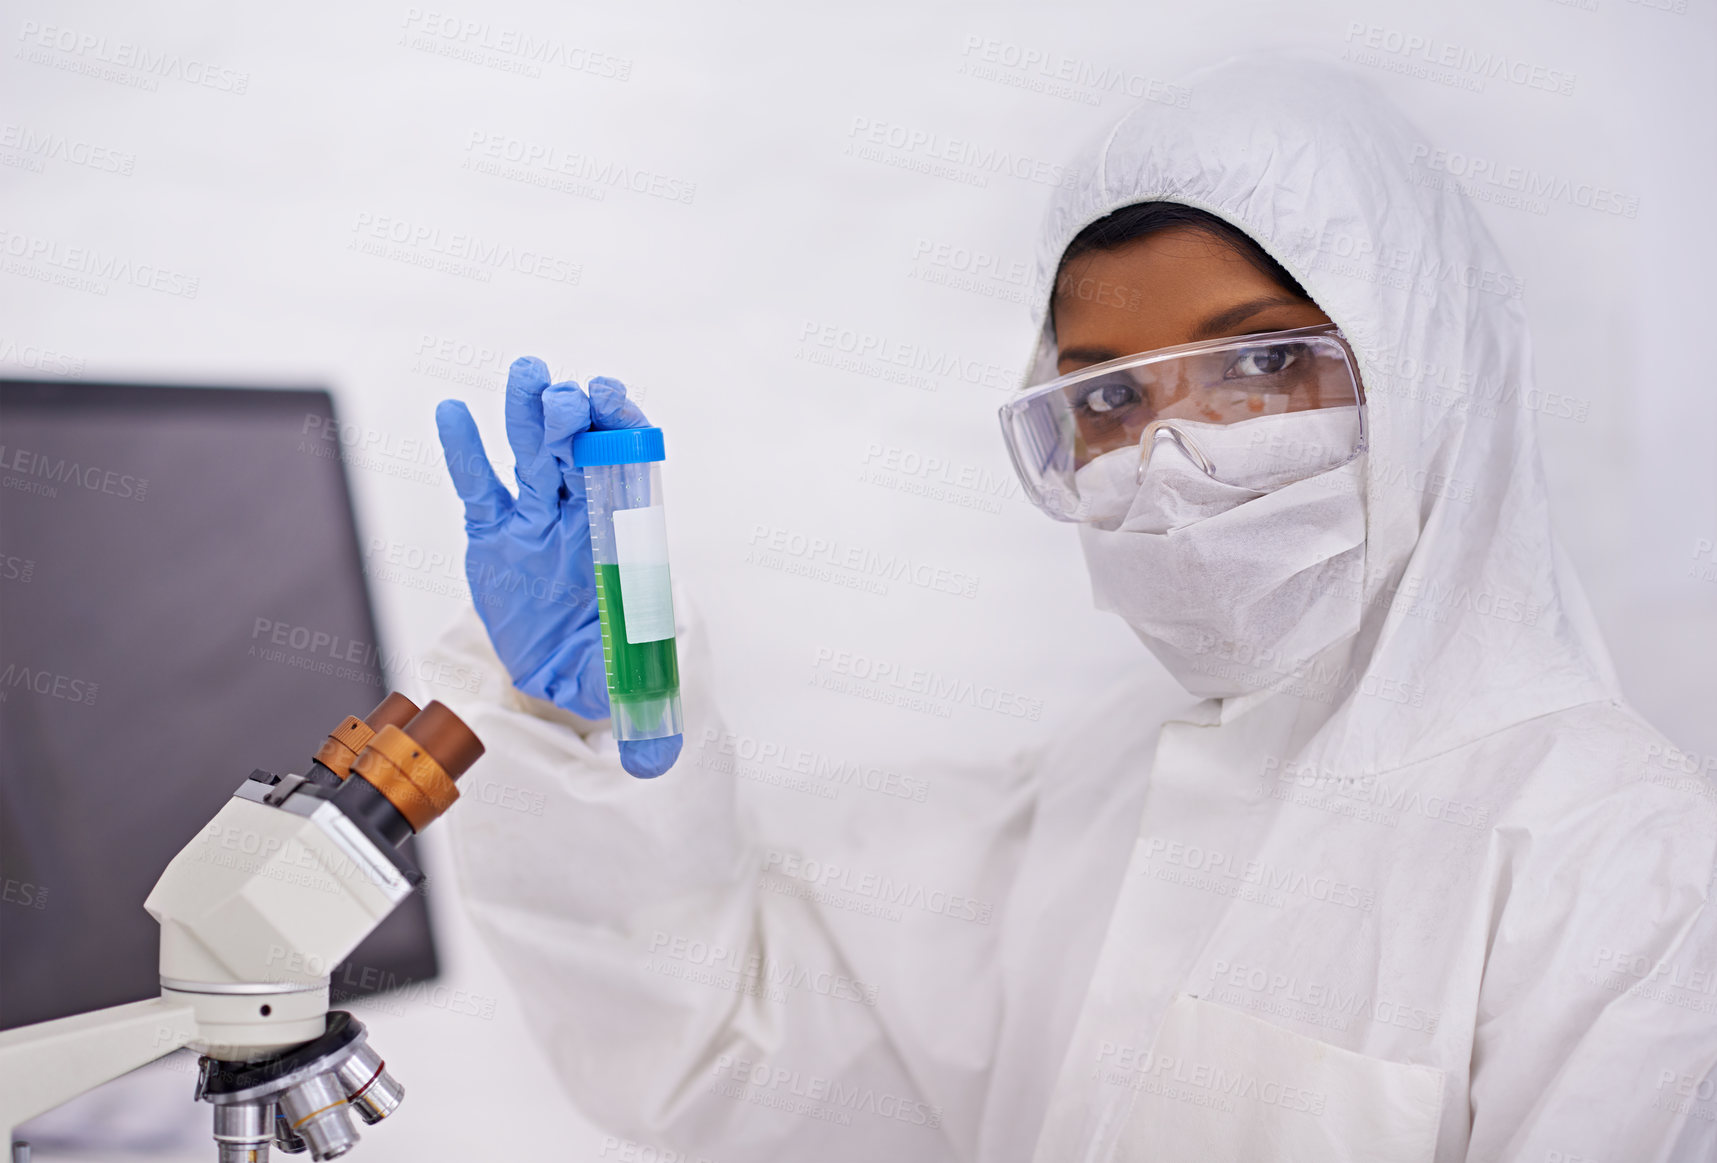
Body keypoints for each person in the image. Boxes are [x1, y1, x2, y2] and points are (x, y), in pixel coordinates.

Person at [429, 60, 1717, 1162]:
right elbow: (734, 1045)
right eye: (1106, 398)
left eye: (1264, 361)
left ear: (1429, 370)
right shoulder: (1102, 795)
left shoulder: (1619, 864)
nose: (1167, 454)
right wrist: (594, 709)